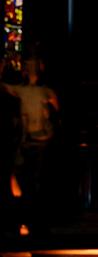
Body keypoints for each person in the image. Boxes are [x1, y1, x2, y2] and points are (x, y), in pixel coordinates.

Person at [0, 55, 59, 234]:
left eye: (33, 66)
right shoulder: (22, 90)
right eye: (27, 66)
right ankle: (22, 217)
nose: (30, 70)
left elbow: (58, 113)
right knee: (19, 177)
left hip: (41, 140)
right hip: (26, 140)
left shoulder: (46, 91)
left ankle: (33, 218)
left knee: (36, 179)